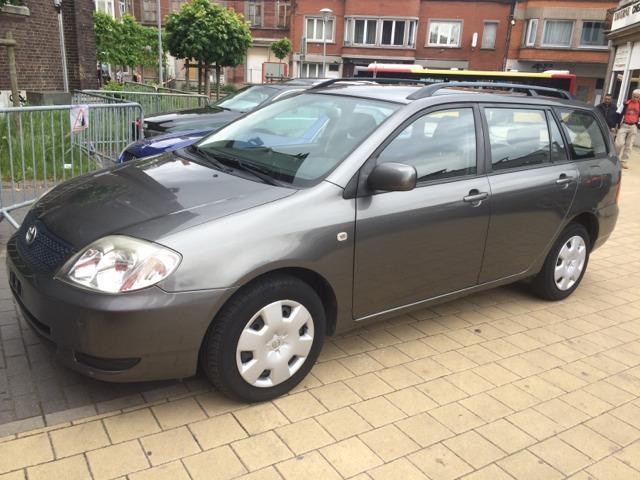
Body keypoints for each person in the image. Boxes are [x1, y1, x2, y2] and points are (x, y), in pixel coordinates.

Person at [615, 89, 640, 169]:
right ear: (632, 95)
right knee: (619, 143)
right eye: (634, 96)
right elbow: (618, 113)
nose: (635, 98)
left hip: (633, 126)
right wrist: (616, 125)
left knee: (629, 145)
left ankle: (623, 162)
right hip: (624, 125)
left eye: (637, 97)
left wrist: (637, 126)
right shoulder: (625, 103)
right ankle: (615, 159)